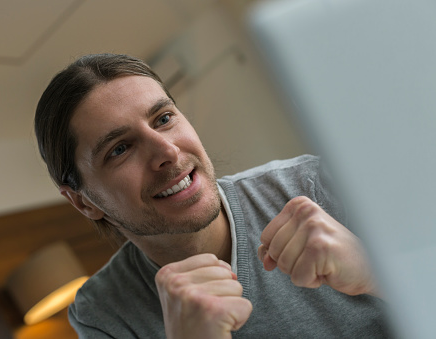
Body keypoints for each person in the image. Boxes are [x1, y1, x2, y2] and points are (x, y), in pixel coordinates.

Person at [35, 53, 390, 338]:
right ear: (84, 202)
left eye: (163, 119)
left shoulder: (315, 183)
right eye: (120, 149)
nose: (168, 153)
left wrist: (379, 274)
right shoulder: (103, 314)